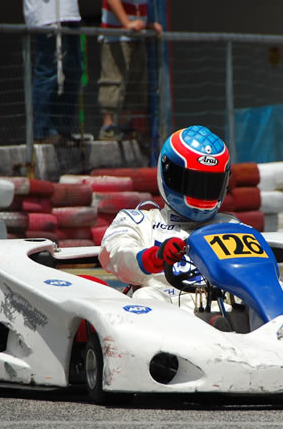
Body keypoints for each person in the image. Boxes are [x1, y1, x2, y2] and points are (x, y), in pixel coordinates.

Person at [99, 125, 236, 310]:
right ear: (169, 174)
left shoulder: (230, 226)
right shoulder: (139, 221)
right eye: (194, 183)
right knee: (144, 295)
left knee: (274, 288)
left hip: (219, 306)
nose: (202, 192)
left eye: (210, 184)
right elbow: (114, 255)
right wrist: (154, 257)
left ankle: (282, 333)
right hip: (165, 308)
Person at [96, 0, 161, 141]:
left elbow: (137, 6)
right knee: (113, 78)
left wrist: (148, 26)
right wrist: (127, 24)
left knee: (134, 81)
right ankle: (108, 126)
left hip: (136, 37)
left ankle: (124, 125)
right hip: (116, 38)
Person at [23, 0, 82, 145]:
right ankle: (42, 131)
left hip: (70, 12)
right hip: (47, 14)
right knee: (49, 71)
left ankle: (64, 128)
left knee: (73, 72)